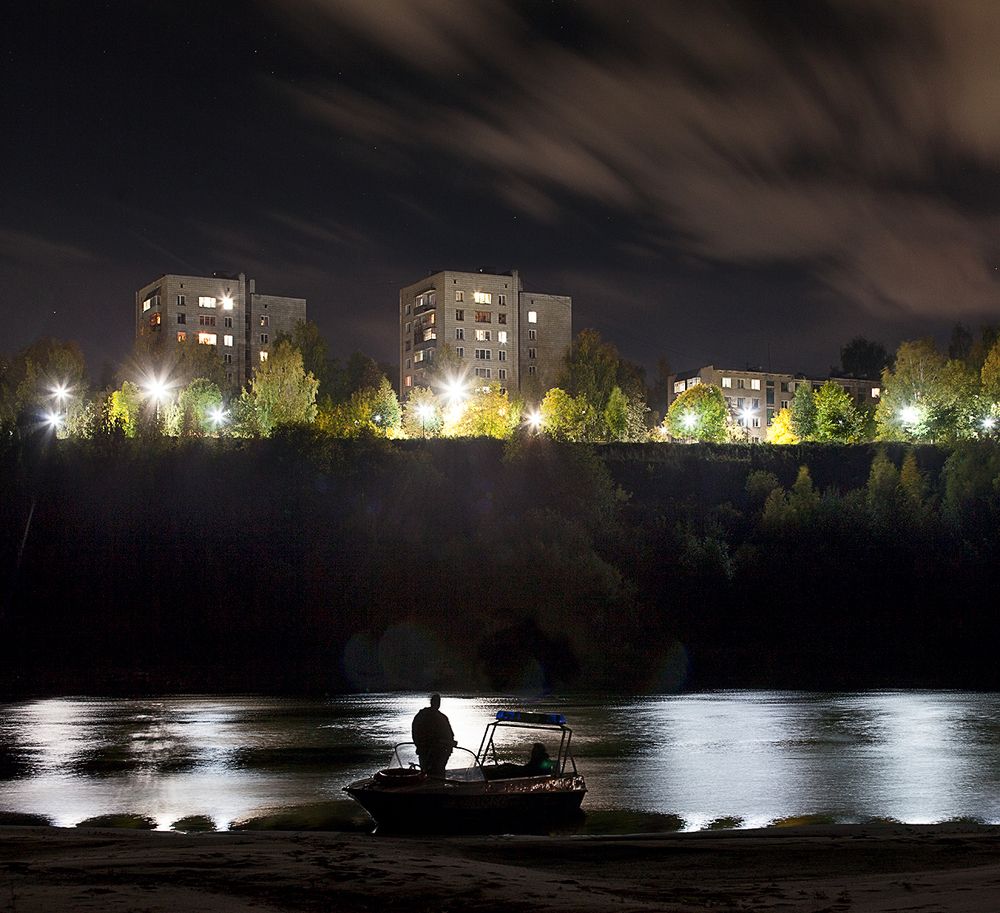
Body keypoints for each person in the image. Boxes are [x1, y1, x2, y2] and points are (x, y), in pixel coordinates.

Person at [411, 693, 456, 778]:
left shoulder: (422, 716)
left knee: (429, 771)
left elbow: (415, 732)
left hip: (431, 751)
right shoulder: (438, 717)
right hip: (432, 751)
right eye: (437, 702)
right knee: (436, 772)